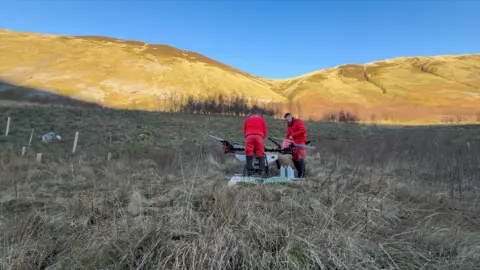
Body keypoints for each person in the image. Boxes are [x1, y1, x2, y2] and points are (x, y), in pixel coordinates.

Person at [243, 109, 267, 176]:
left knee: (249, 153)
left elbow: (244, 131)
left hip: (249, 137)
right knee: (261, 153)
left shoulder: (247, 120)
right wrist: (262, 138)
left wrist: (247, 137)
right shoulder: (261, 120)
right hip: (259, 137)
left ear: (251, 115)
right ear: (258, 115)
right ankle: (261, 172)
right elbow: (265, 131)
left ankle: (250, 172)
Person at [284, 112, 307, 178]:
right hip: (293, 143)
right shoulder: (288, 125)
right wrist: (286, 142)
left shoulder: (298, 122)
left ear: (291, 117)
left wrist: (293, 134)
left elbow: (303, 130)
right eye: (286, 120)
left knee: (300, 157)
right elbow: (288, 135)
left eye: (287, 119)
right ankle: (299, 173)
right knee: (294, 158)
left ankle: (302, 175)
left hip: (300, 142)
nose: (287, 121)